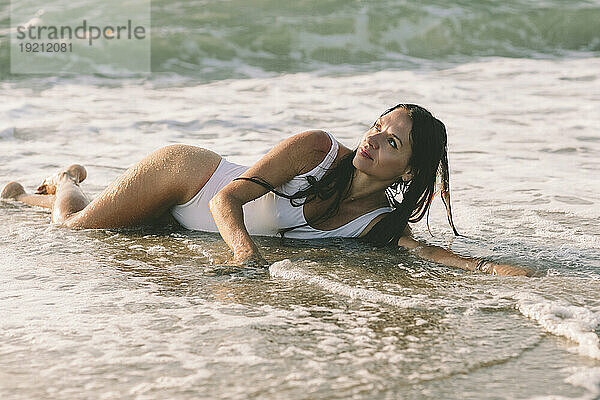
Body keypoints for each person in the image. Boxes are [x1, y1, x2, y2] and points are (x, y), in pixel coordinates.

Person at [1, 104, 531, 276]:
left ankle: (31, 197)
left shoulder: (375, 222)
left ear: (409, 171)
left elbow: (432, 254)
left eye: (392, 142)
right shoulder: (318, 147)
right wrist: (245, 254)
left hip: (189, 221)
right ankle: (65, 180)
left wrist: (500, 270)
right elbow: (224, 200)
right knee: (76, 228)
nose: (373, 139)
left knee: (113, 221)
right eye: (377, 126)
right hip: (185, 177)